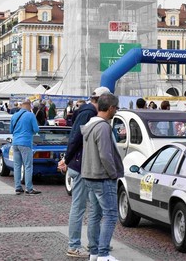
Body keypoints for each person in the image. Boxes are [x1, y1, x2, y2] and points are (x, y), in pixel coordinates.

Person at [58, 86, 111, 258]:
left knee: (94, 208)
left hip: (84, 166)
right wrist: (66, 159)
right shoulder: (88, 113)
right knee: (80, 207)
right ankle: (74, 245)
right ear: (102, 100)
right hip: (81, 166)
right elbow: (75, 137)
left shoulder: (87, 112)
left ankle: (94, 244)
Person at [82, 93, 123, 261]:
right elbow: (105, 155)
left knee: (95, 214)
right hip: (102, 176)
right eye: (116, 108)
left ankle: (94, 251)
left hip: (89, 174)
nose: (116, 111)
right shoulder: (104, 127)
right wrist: (113, 173)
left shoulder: (90, 125)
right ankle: (103, 253)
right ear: (111, 108)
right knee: (111, 215)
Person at [10, 99, 40, 195]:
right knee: (27, 166)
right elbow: (36, 129)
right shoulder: (30, 115)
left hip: (15, 143)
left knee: (17, 165)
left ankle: (18, 187)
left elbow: (11, 130)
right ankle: (29, 188)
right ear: (29, 106)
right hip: (25, 142)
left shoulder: (14, 115)